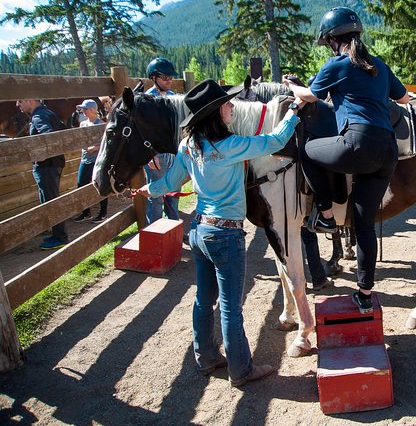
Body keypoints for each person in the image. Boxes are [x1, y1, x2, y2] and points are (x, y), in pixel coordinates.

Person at [132, 79, 303, 386]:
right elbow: (275, 140)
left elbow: (170, 184)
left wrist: (147, 189)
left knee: (203, 300)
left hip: (199, 231)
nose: (232, 106)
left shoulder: (188, 145)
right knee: (231, 307)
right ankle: (241, 370)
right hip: (226, 235)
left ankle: (207, 357)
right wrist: (293, 110)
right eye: (226, 104)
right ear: (214, 114)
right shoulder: (231, 145)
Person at [283, 6, 410, 314]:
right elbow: (404, 99)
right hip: (387, 151)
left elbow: (308, 96)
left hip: (357, 143)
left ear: (331, 40)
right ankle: (365, 295)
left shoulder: (337, 65)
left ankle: (326, 213)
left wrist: (291, 85)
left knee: (307, 151)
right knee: (364, 226)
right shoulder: (378, 64)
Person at [17, 99, 69, 250]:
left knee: (51, 201)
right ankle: (56, 233)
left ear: (30, 100)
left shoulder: (38, 116)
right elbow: (64, 129)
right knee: (50, 199)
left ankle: (60, 237)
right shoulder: (48, 113)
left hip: (47, 166)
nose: (18, 104)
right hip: (54, 165)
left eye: (20, 101)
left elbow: (49, 135)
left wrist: (43, 155)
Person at [144, 57, 181, 224]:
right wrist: (150, 155)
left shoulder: (173, 97)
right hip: (156, 154)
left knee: (174, 191)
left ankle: (173, 228)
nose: (169, 81)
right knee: (156, 194)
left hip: (173, 152)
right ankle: (154, 232)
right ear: (154, 78)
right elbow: (143, 132)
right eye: (165, 78)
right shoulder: (146, 100)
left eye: (171, 78)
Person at [73, 99, 108, 223]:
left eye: (86, 109)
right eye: (83, 109)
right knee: (81, 184)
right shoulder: (83, 124)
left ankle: (103, 213)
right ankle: (86, 212)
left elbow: (107, 144)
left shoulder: (101, 125)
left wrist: (95, 148)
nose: (83, 111)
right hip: (85, 158)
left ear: (92, 110)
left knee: (99, 184)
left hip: (97, 160)